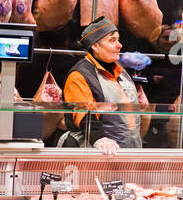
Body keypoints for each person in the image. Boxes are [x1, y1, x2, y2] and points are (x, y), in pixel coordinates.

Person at [61, 16, 149, 155]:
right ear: (95, 46)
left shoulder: (120, 70)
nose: (119, 45)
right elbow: (83, 114)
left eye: (118, 39)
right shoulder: (79, 75)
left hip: (128, 152)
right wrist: (100, 139)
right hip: (97, 153)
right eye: (112, 40)